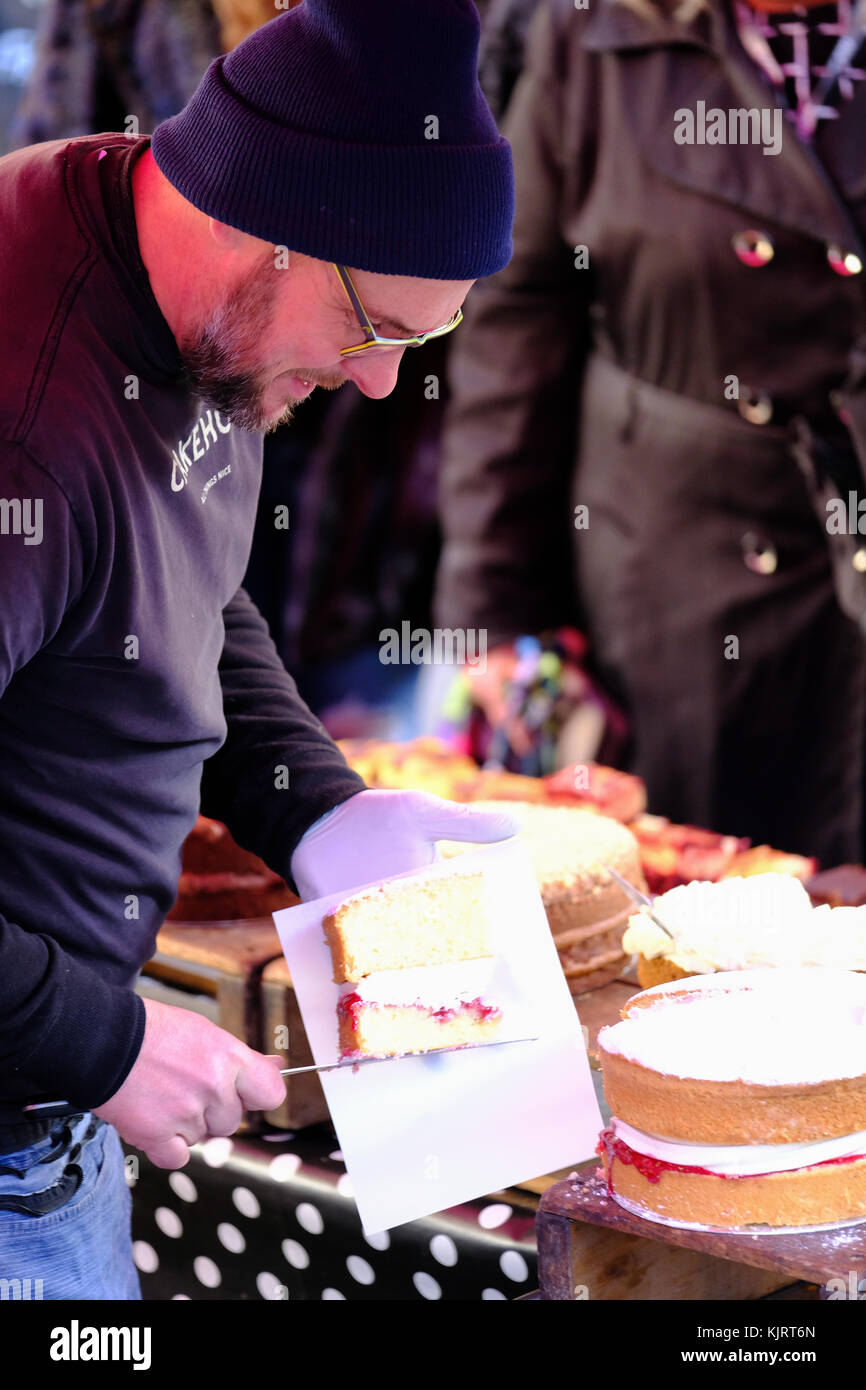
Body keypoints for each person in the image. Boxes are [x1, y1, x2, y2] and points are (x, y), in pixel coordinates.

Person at [0, 0, 515, 1299]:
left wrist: (311, 803)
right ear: (272, 229)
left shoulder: (184, 286)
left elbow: (174, 580)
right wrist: (100, 1042)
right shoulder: (26, 434)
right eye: (378, 331)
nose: (383, 383)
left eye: (424, 339)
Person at [435, 0, 866, 865]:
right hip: (673, 568)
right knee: (695, 909)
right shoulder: (592, 29)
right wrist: (492, 607)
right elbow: (522, 317)